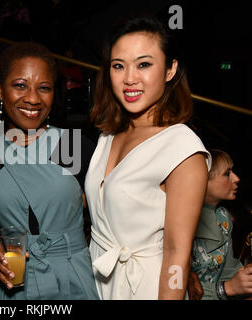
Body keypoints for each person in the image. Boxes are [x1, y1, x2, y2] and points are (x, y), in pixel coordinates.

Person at [84, 15, 211, 300]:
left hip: (143, 288)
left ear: (169, 69)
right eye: (119, 66)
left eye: (144, 64)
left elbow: (177, 254)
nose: (130, 78)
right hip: (96, 282)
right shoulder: (108, 135)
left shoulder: (182, 148)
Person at [0, 42, 99, 300]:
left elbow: (111, 219)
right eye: (20, 85)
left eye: (44, 88)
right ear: (0, 90)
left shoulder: (75, 146)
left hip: (73, 283)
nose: (33, 98)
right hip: (14, 285)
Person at [189, 149, 252, 300]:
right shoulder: (182, 217)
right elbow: (174, 285)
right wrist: (225, 289)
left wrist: (246, 278)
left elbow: (228, 269)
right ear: (203, 179)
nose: (236, 178)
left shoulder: (222, 216)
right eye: (227, 174)